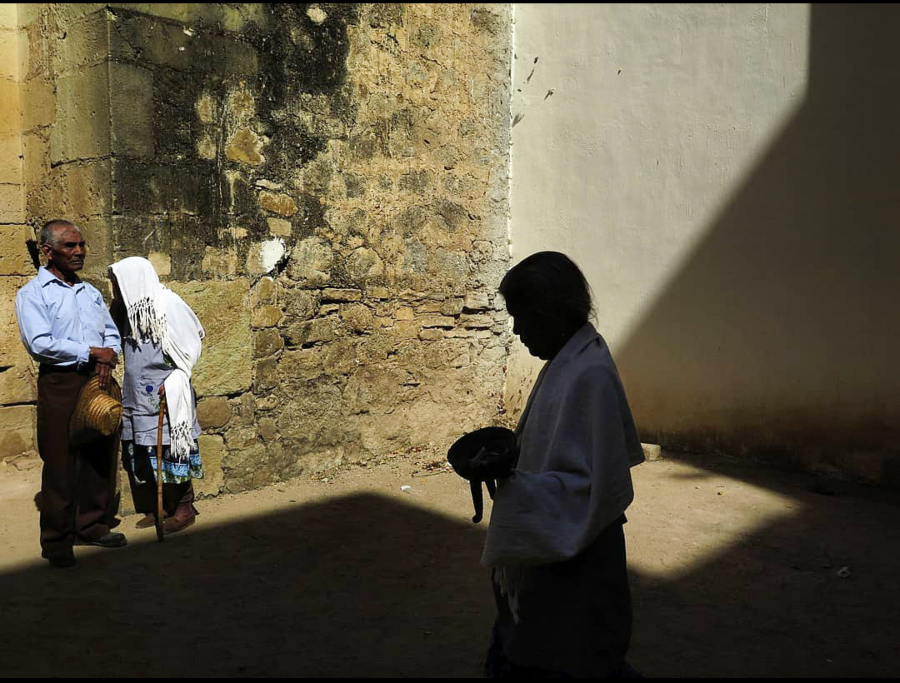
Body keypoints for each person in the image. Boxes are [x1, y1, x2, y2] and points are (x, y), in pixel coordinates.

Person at [481, 251, 645, 678]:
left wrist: (512, 483)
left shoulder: (588, 373)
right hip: (559, 558)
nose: (516, 331)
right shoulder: (567, 360)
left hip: (582, 557)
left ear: (552, 313)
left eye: (522, 318)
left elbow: (589, 491)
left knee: (574, 656)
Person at [15, 219, 127, 568]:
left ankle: (91, 525)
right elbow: (40, 344)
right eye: (69, 247)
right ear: (48, 251)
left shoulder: (90, 292)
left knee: (100, 454)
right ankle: (57, 540)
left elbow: (111, 333)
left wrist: (107, 355)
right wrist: (92, 353)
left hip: (99, 380)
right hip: (61, 383)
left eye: (81, 245)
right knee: (61, 462)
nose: (78, 252)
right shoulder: (33, 294)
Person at [108, 256, 204, 535]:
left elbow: (193, 342)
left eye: (119, 283)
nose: (116, 289)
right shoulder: (127, 310)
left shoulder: (169, 304)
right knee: (146, 449)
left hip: (165, 391)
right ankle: (162, 504)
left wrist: (177, 377)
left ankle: (185, 506)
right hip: (138, 394)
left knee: (173, 449)